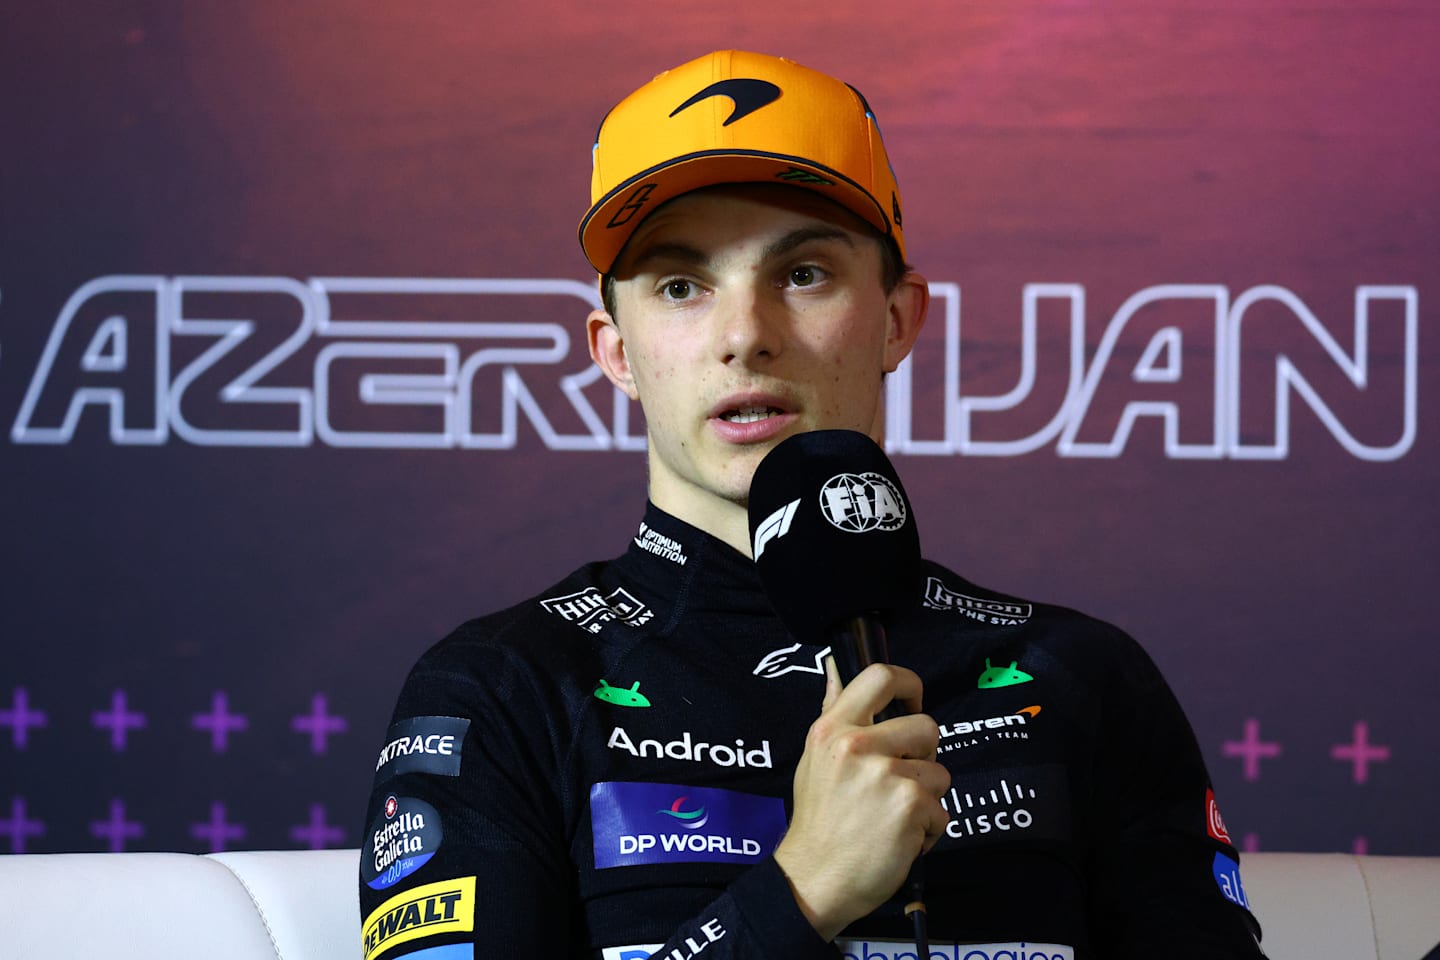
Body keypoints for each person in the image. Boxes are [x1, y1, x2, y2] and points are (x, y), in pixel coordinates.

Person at [358, 50, 1265, 960]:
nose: (746, 334)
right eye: (680, 286)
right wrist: (801, 891)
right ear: (617, 351)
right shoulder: (503, 687)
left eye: (803, 275)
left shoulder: (1079, 676)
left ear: (899, 319)